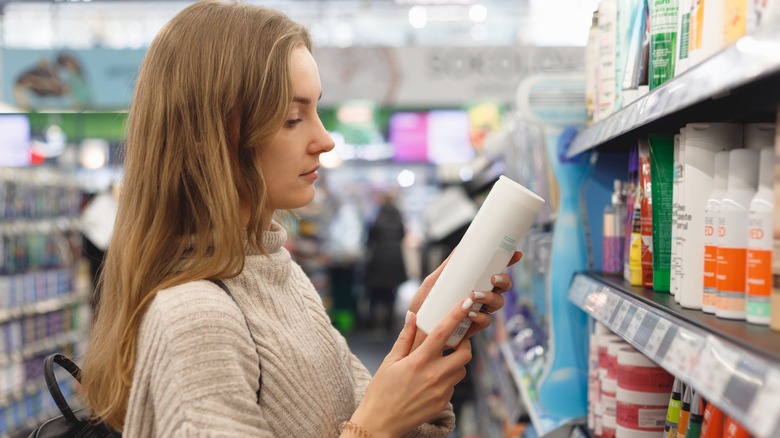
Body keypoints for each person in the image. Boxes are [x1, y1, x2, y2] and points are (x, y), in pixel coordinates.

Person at [80, 1, 521, 437]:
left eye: (316, 110)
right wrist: (374, 428)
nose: (325, 140)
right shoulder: (195, 318)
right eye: (293, 117)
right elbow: (367, 425)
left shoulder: (280, 275)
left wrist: (424, 342)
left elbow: (357, 414)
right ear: (216, 135)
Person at [364, 192, 407, 333]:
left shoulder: (378, 216)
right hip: (395, 258)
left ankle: (374, 322)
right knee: (391, 292)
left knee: (375, 292)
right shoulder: (399, 216)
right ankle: (389, 323)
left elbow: (370, 237)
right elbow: (403, 235)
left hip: (378, 258)